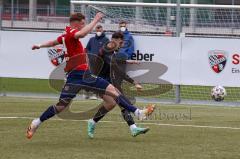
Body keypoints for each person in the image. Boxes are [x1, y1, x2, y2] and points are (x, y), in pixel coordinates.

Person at [27, 12, 155, 139]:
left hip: (76, 76)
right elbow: (81, 34)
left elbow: (53, 42)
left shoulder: (65, 35)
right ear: (75, 23)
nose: (84, 25)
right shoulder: (72, 32)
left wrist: (39, 45)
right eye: (82, 23)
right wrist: (95, 20)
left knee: (63, 105)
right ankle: (138, 113)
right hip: (81, 75)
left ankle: (36, 122)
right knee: (64, 105)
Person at [88, 32, 149, 138]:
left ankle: (93, 122)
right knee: (119, 98)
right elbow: (110, 61)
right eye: (120, 43)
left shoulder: (113, 53)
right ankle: (137, 112)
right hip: (97, 81)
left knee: (112, 104)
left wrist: (134, 82)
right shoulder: (106, 48)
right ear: (114, 40)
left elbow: (118, 70)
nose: (121, 45)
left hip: (107, 82)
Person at [85, 25, 109, 100]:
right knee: (91, 78)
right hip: (92, 62)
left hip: (101, 63)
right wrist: (89, 57)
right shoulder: (91, 39)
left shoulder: (106, 40)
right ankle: (89, 93)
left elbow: (107, 51)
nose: (98, 31)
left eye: (100, 30)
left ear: (102, 30)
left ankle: (97, 94)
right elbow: (87, 49)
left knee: (99, 78)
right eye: (97, 30)